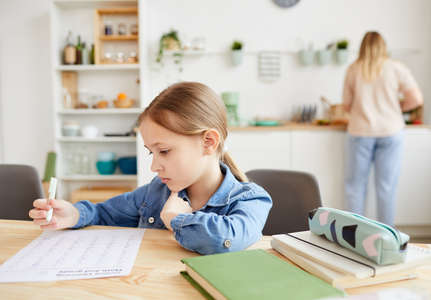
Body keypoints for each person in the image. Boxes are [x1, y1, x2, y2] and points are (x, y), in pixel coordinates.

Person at [29, 82, 272, 255]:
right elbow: (105, 213)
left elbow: (227, 238)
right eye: (150, 152)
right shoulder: (155, 192)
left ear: (208, 141)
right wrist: (73, 215)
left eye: (164, 151)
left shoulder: (251, 200)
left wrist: (176, 219)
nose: (154, 166)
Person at [342, 31, 423, 226]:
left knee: (355, 188)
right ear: (383, 47)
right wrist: (397, 108)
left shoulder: (353, 69)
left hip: (360, 132)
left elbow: (346, 105)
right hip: (391, 131)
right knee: (386, 188)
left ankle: (353, 235)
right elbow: (416, 99)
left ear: (362, 47)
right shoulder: (396, 68)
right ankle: (387, 237)